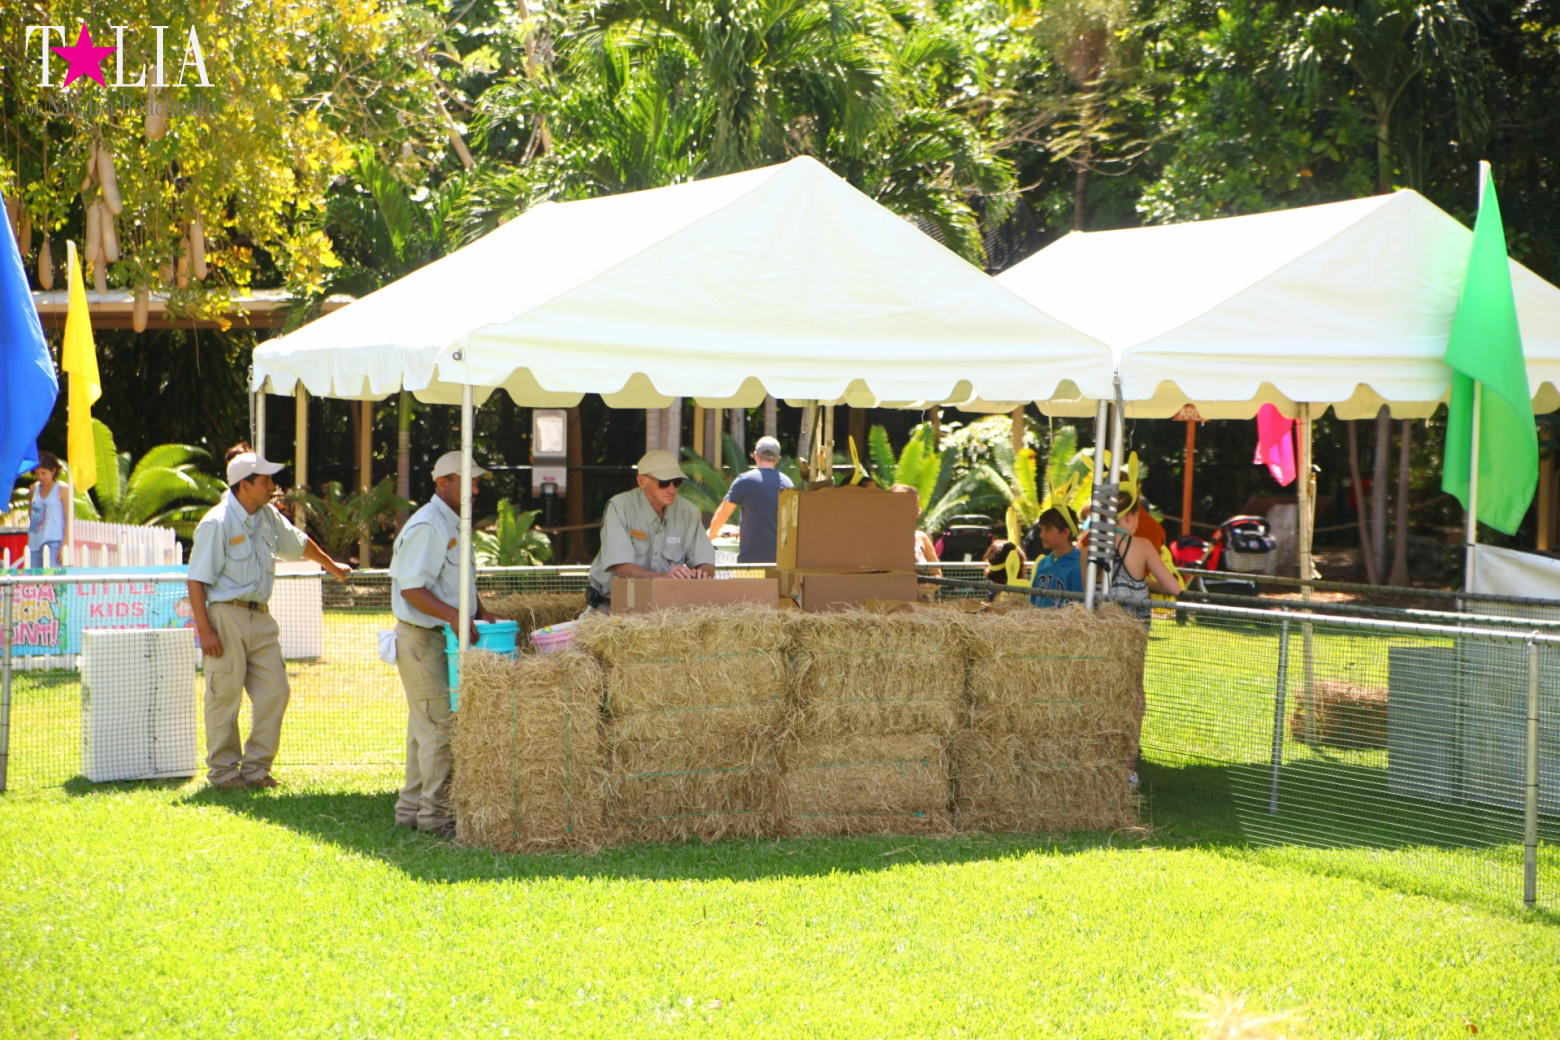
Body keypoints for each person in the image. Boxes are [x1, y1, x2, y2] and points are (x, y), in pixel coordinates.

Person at [187, 445, 352, 790]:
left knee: (275, 691)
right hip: (225, 617)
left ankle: (256, 770)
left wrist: (332, 566)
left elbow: (298, 543)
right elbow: (196, 580)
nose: (272, 486)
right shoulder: (216, 523)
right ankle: (223, 773)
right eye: (264, 480)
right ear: (244, 485)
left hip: (261, 617)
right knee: (224, 697)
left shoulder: (268, 516)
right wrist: (206, 630)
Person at [388, 451, 503, 836]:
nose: (475, 490)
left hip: (439, 638)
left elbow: (456, 583)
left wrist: (479, 611)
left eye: (477, 483)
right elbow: (412, 589)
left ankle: (410, 811)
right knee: (438, 730)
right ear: (442, 483)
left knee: (425, 728)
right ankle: (435, 818)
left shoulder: (452, 522)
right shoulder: (429, 525)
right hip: (424, 639)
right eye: (468, 482)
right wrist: (455, 616)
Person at [588, 450, 716, 609]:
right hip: (614, 609)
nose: (672, 489)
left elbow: (706, 562)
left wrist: (701, 574)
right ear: (642, 481)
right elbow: (623, 570)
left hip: (668, 610)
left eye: (677, 482)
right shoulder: (620, 507)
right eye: (664, 483)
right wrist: (665, 577)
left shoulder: (687, 512)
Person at [705, 436, 792, 563]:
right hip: (781, 561)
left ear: (756, 456)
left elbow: (722, 514)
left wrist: (711, 535)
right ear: (777, 459)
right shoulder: (788, 484)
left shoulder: (745, 481)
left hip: (751, 561)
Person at [1028, 508, 1083, 608]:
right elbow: (1033, 601)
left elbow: (1081, 607)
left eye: (1047, 530)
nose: (1041, 535)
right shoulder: (1042, 564)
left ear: (1065, 532)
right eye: (1042, 529)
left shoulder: (1078, 566)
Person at [27, 451, 70, 569]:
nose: (40, 477)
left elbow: (69, 519)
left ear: (53, 470)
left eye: (44, 473)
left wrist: (65, 544)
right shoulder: (33, 488)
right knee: (34, 578)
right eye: (37, 473)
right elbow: (31, 512)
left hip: (54, 541)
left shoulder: (62, 489)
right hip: (34, 542)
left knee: (52, 577)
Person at [888, 484, 941, 574]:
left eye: (918, 510)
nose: (918, 515)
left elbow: (937, 574)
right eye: (914, 510)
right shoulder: (878, 539)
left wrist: (926, 583)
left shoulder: (921, 537)